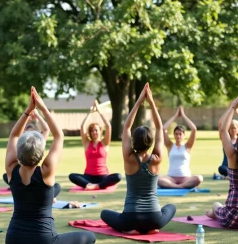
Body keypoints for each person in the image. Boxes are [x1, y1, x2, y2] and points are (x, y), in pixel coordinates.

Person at [5, 87, 96, 244]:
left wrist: (28, 111)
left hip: (13, 241)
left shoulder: (11, 169)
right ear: (40, 155)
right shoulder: (46, 171)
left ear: (19, 151)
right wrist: (42, 107)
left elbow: (14, 135)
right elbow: (59, 135)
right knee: (90, 238)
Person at [101, 83, 176, 234]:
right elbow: (160, 127)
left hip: (130, 218)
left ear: (134, 141)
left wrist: (139, 101)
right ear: (150, 141)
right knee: (171, 207)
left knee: (104, 213)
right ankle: (148, 228)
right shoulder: (157, 158)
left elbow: (126, 127)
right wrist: (151, 102)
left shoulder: (129, 158)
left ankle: (133, 228)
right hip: (154, 218)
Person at [69, 99, 122, 190]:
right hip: (88, 177)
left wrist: (99, 111)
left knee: (118, 176)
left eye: (96, 130)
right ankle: (89, 185)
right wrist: (90, 112)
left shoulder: (105, 143)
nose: (94, 132)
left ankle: (95, 186)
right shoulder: (87, 143)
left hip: (103, 177)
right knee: (72, 176)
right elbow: (82, 127)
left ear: (100, 131)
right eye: (92, 130)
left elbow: (108, 126)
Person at [206, 98, 238, 228]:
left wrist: (233, 107)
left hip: (231, 217)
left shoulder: (233, 157)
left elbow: (223, 129)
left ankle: (213, 213)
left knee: (216, 205)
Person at [157, 105, 203, 189]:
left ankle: (177, 186)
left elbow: (194, 129)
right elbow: (163, 128)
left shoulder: (188, 146)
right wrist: (175, 116)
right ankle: (179, 186)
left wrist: (183, 115)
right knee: (157, 179)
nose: (178, 136)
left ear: (184, 135)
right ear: (174, 135)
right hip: (171, 178)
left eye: (180, 134)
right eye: (176, 134)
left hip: (185, 178)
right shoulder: (170, 145)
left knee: (199, 178)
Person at [217, 106, 238, 177]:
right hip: (226, 166)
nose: (233, 130)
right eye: (231, 128)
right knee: (221, 168)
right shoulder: (226, 140)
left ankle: (230, 175)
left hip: (236, 166)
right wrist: (231, 109)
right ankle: (230, 175)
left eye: (234, 128)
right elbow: (220, 123)